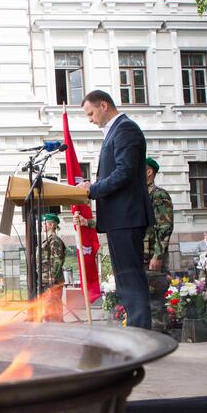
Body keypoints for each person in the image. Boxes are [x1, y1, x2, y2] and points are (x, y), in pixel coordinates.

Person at [75, 90, 154, 330]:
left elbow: (124, 172)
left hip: (126, 217)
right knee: (125, 280)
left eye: (91, 113)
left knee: (130, 280)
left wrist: (93, 189)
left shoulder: (125, 129)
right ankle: (138, 331)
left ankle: (141, 335)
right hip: (120, 218)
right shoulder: (116, 131)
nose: (90, 119)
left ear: (103, 105)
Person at [143, 157, 174, 330]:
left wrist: (158, 255)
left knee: (155, 303)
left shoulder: (158, 195)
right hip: (141, 255)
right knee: (144, 302)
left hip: (151, 258)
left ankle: (160, 341)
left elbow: (165, 226)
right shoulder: (141, 194)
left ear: (149, 172)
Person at [40, 213, 65, 322]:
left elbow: (57, 260)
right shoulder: (48, 239)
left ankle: (56, 328)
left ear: (51, 225)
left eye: (44, 223)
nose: (42, 225)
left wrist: (52, 278)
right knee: (48, 308)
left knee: (53, 308)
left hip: (52, 280)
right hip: (46, 278)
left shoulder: (54, 240)